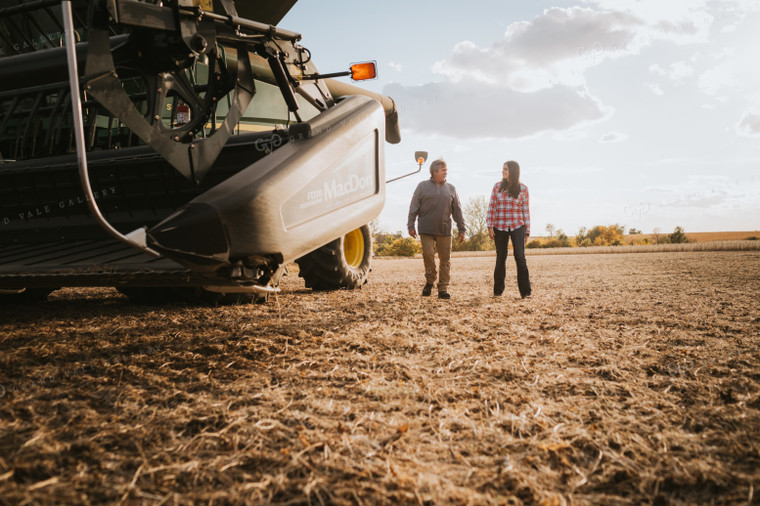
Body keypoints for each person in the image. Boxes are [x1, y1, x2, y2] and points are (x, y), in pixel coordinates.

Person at [407, 158, 466, 299]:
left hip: (444, 229)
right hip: (425, 228)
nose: (446, 172)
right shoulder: (422, 186)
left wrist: (462, 229)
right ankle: (429, 281)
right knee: (428, 254)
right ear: (435, 171)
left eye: (446, 170)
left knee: (445, 259)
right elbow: (413, 206)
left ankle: (443, 289)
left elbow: (457, 210)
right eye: (443, 170)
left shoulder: (451, 188)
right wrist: (410, 225)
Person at [486, 160, 531, 298]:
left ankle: (526, 292)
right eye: (503, 169)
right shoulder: (497, 187)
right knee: (501, 257)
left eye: (505, 169)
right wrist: (490, 226)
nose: (503, 171)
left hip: (518, 226)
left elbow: (525, 210)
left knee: (520, 256)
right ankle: (497, 291)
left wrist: (527, 231)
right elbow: (492, 207)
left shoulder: (523, 189)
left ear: (513, 171)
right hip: (500, 226)